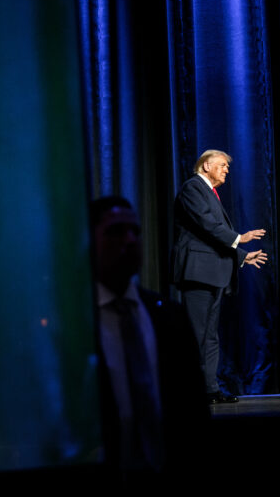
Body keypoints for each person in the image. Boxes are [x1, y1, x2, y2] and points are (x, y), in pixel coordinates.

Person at [91, 196, 208, 478]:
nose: (130, 240)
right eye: (116, 232)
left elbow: (194, 412)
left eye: (135, 231)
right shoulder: (72, 325)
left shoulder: (170, 316)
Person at [171, 150, 267, 404]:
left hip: (213, 273)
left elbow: (212, 237)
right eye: (222, 165)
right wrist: (239, 239)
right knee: (196, 333)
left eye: (227, 166)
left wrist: (242, 256)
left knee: (210, 336)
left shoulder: (209, 193)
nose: (226, 170)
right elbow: (207, 226)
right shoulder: (192, 188)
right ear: (205, 166)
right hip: (198, 273)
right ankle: (189, 391)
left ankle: (209, 388)